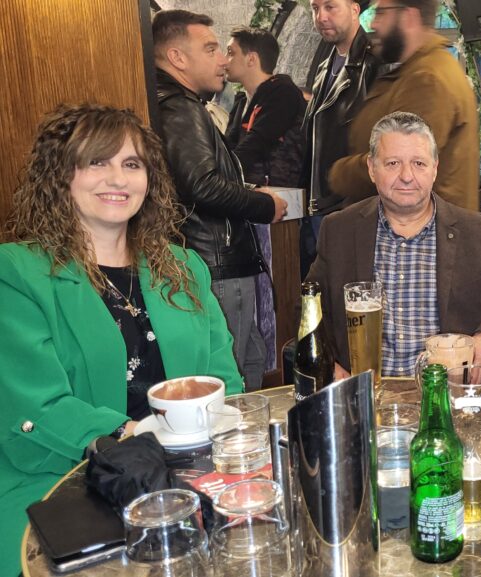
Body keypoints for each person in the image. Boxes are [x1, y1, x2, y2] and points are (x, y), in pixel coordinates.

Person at [0, 104, 244, 573]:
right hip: (63, 482)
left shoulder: (183, 267)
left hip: (189, 471)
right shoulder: (17, 273)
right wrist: (135, 436)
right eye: (97, 162)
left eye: (131, 164)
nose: (118, 178)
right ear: (60, 175)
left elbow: (223, 379)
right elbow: (38, 406)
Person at [308, 112, 481, 377]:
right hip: (364, 392)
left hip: (448, 393)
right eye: (392, 163)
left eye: (419, 163)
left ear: (435, 168)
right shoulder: (339, 230)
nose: (406, 176)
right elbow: (307, 308)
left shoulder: (480, 233)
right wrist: (328, 365)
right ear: (371, 168)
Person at [153, 10, 288, 389]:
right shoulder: (179, 107)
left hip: (208, 260)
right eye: (211, 49)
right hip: (216, 264)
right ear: (177, 57)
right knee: (229, 377)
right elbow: (202, 185)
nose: (223, 60)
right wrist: (265, 205)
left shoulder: (172, 101)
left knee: (248, 361)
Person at [326, 0, 480, 211]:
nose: (373, 24)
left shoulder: (427, 79)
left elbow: (396, 164)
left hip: (421, 228)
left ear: (409, 17)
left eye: (381, 13)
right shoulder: (418, 71)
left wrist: (339, 173)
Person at [301, 0, 380, 275]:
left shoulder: (375, 61)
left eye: (330, 7)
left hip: (355, 203)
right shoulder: (324, 67)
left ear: (355, 9)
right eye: (315, 8)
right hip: (322, 202)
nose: (321, 16)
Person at [225, 26, 306, 187]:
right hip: (249, 193)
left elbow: (257, 142)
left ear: (251, 59)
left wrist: (220, 173)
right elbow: (229, 147)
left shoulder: (283, 92)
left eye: (230, 52)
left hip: (280, 196)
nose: (223, 59)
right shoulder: (241, 102)